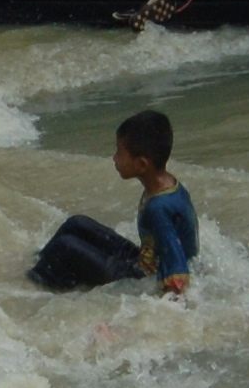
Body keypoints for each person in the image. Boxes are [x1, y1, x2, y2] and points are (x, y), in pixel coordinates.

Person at [28, 109, 198, 294]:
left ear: (141, 164)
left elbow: (177, 265)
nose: (114, 158)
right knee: (76, 223)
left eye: (119, 152)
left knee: (64, 246)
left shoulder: (157, 208)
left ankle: (32, 287)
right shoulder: (166, 184)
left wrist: (171, 298)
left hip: (141, 279)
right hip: (143, 262)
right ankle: (41, 265)